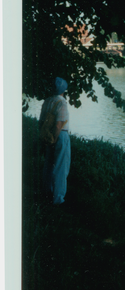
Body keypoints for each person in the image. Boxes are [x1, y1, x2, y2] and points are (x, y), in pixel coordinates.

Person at [39, 77, 70, 205]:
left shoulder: (47, 101)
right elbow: (59, 125)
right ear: (64, 90)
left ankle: (46, 192)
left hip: (47, 134)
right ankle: (58, 199)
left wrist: (45, 137)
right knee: (61, 167)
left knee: (48, 165)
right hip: (60, 136)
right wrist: (54, 139)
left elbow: (41, 122)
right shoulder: (62, 103)